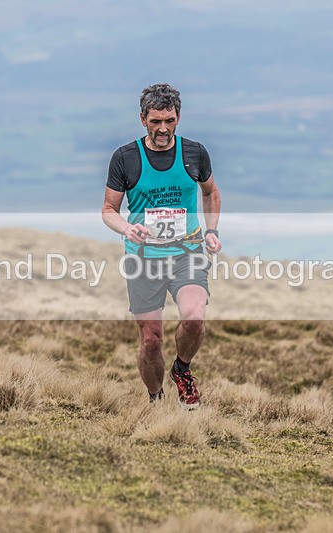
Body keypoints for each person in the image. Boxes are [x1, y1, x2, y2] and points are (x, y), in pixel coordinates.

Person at [102, 83, 222, 410]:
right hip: (144, 258)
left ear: (178, 117)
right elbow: (108, 211)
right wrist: (127, 227)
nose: (163, 128)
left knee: (195, 317)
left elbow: (210, 192)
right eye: (155, 121)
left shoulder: (194, 153)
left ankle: (182, 369)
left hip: (187, 252)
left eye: (169, 120)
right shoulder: (125, 158)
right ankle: (156, 398)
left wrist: (211, 231)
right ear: (143, 119)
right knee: (151, 341)